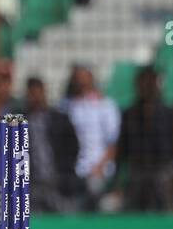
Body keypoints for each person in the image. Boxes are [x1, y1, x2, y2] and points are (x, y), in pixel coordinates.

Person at [110, 66, 173, 211]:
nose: (147, 87)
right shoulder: (129, 114)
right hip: (138, 173)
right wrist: (117, 182)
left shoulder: (170, 114)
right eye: (143, 83)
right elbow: (121, 150)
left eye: (150, 82)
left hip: (163, 171)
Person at [61, 65, 121, 205]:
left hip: (98, 170)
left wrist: (99, 167)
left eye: (84, 79)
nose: (81, 83)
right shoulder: (65, 106)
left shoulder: (106, 105)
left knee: (94, 189)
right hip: (73, 172)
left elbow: (113, 142)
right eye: (77, 79)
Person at [21, 77, 82, 212]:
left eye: (38, 93)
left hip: (59, 182)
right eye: (32, 94)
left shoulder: (60, 119)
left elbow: (73, 148)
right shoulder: (20, 121)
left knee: (67, 220)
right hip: (32, 184)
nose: (36, 98)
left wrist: (65, 172)